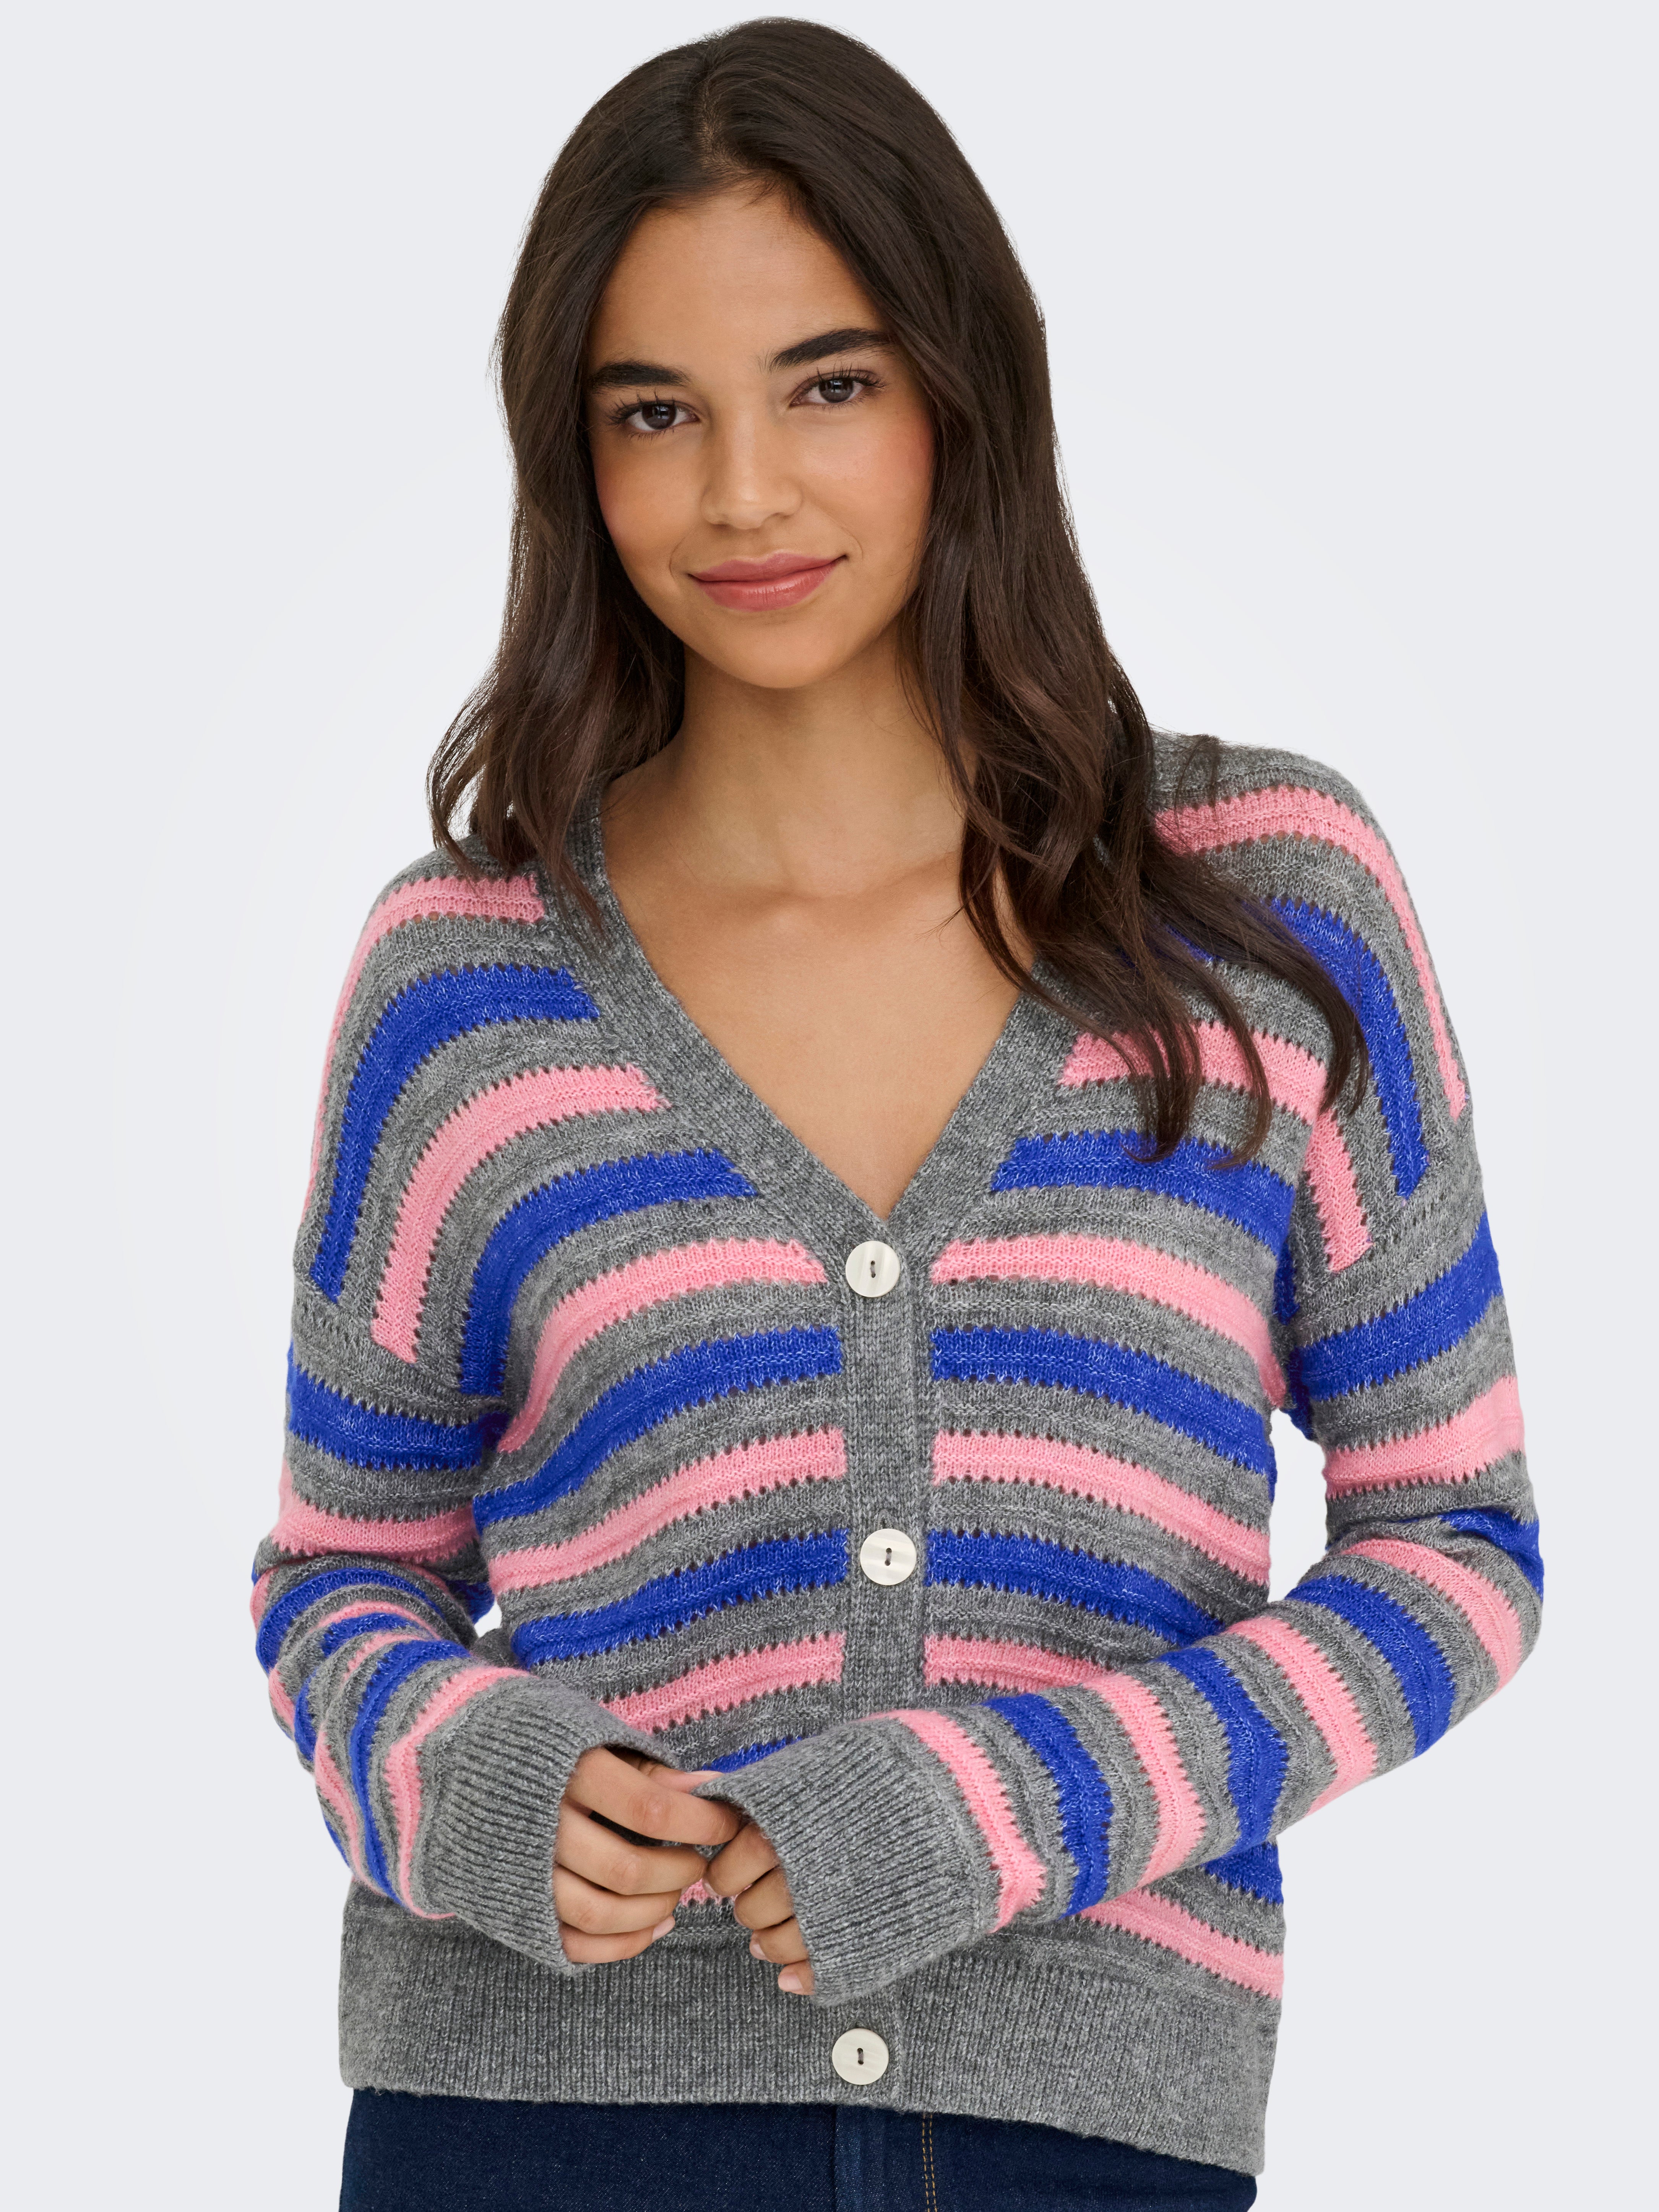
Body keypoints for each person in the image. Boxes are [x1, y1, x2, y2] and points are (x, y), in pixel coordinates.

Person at [252, 21, 1541, 2209]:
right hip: (532, 2128)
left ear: (963, 391)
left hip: (1078, 2136)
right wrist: (466, 1778)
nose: (741, 492)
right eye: (654, 413)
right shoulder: (464, 974)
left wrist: (1014, 1801)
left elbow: (1458, 1551)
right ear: (575, 463)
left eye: (826, 386)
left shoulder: (1262, 909)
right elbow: (341, 1577)